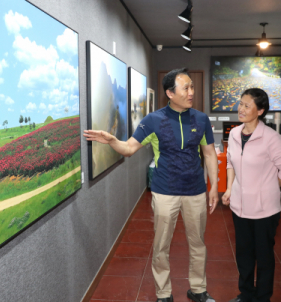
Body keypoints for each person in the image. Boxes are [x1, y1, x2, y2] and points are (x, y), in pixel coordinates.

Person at [83, 68, 219, 302]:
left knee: (198, 244)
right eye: (185, 88)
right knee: (161, 246)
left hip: (196, 191)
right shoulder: (153, 121)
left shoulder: (201, 119)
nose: (191, 92)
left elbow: (209, 154)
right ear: (170, 93)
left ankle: (198, 289)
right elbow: (129, 149)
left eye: (192, 87)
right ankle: (163, 293)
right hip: (165, 191)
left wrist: (214, 186)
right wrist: (113, 140)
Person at [222, 88, 281, 302]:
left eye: (247, 105)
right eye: (240, 103)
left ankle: (263, 298)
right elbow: (230, 163)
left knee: (263, 258)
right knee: (244, 255)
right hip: (239, 208)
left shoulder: (270, 138)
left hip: (265, 211)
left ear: (260, 111)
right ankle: (245, 294)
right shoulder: (234, 134)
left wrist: (269, 187)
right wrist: (229, 188)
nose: (241, 109)